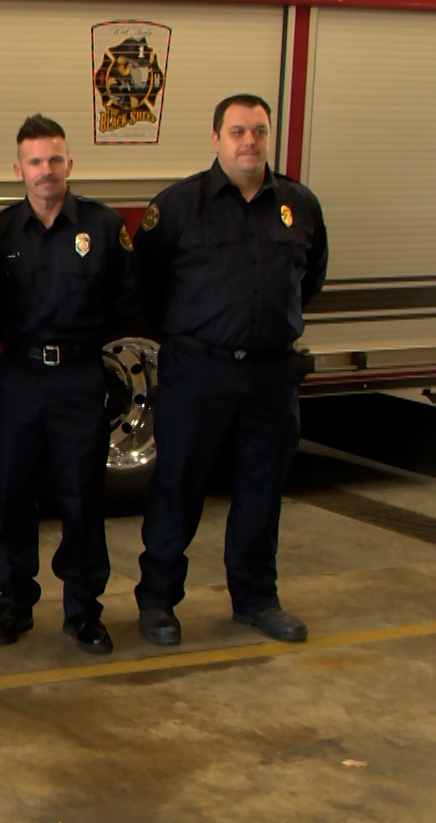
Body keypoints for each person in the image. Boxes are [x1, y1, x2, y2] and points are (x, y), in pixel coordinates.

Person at [133, 93, 328, 647]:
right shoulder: (176, 207)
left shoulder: (299, 204)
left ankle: (256, 599)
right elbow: (145, 286)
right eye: (238, 131)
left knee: (261, 491)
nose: (250, 142)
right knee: (178, 488)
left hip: (270, 376)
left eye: (259, 132)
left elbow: (309, 279)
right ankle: (158, 603)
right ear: (215, 137)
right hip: (199, 373)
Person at [0, 114, 137, 655]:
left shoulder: (105, 228)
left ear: (70, 164)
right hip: (19, 375)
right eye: (36, 161)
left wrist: (81, 343)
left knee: (82, 496)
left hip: (80, 377)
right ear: (19, 169)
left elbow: (127, 298)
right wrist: (25, 340)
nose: (47, 171)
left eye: (55, 159)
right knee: (14, 493)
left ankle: (84, 610)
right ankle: (13, 604)